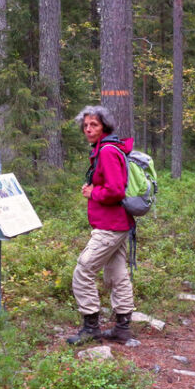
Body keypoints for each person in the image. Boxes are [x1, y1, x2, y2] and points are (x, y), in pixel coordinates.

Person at [67, 105, 136, 345]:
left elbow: (115, 191)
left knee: (83, 270)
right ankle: (122, 328)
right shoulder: (108, 149)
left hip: (110, 225)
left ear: (104, 126)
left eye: (93, 125)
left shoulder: (106, 151)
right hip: (117, 223)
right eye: (85, 125)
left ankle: (91, 328)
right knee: (117, 274)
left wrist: (93, 193)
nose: (88, 129)